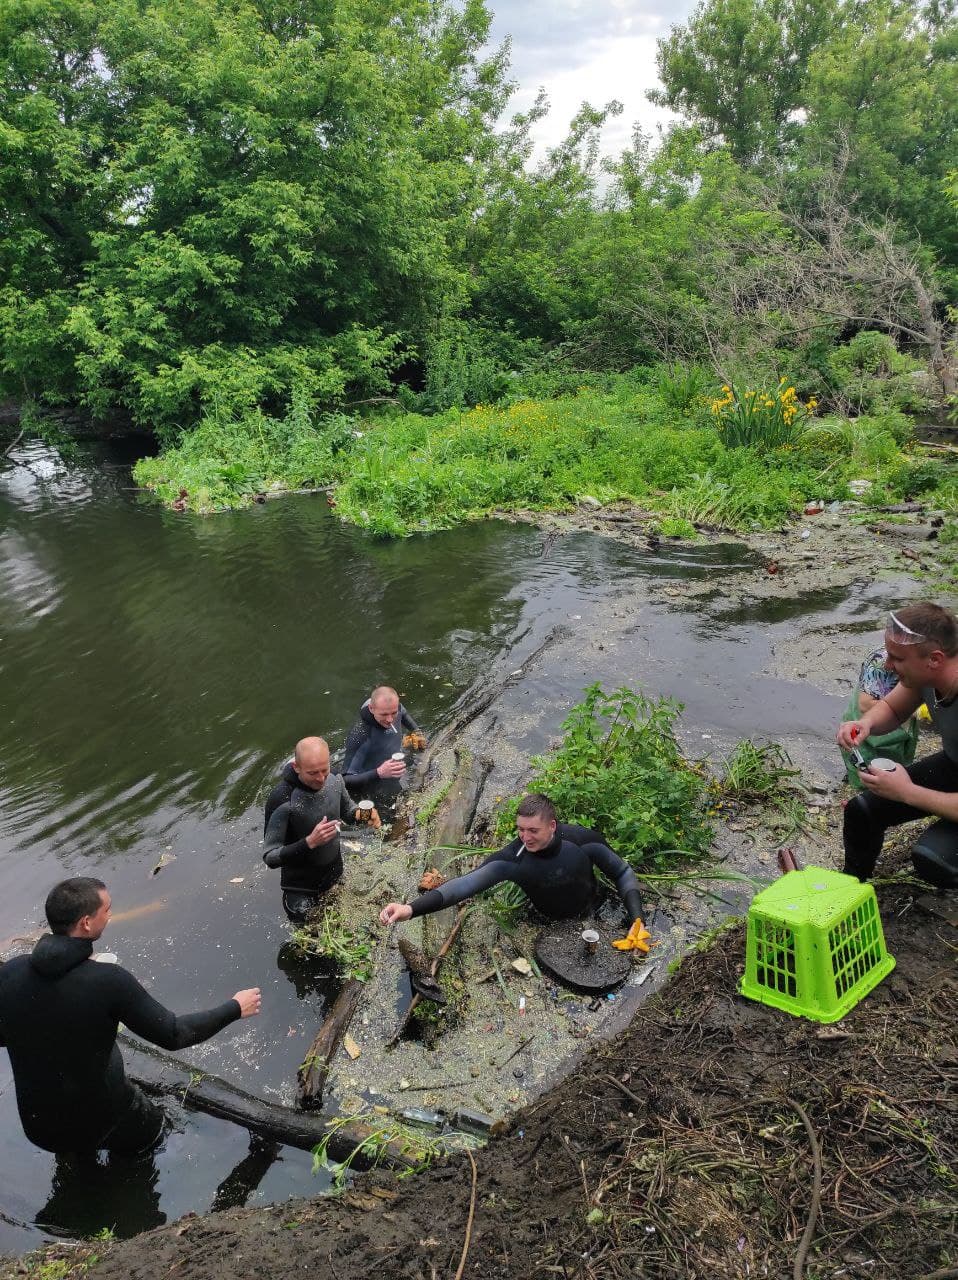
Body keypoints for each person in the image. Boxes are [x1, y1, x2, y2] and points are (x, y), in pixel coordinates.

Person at [0, 877, 261, 1155]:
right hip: (102, 1120)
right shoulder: (109, 981)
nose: (111, 914)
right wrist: (235, 1007)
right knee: (157, 1139)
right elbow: (174, 1034)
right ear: (86, 923)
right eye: (107, 909)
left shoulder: (11, 972)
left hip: (39, 1127)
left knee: (76, 1150)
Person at [379, 793, 645, 926]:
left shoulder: (582, 841)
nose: (525, 838)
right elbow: (463, 886)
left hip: (596, 908)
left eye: (533, 831)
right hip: (546, 922)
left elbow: (622, 873)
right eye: (520, 829)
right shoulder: (513, 859)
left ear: (552, 826)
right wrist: (410, 909)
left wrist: (636, 920)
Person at [836, 603, 958, 888]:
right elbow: (892, 709)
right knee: (861, 811)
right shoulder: (925, 675)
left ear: (935, 659)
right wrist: (865, 724)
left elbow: (908, 793)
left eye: (897, 658)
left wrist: (908, 792)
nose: (888, 665)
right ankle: (852, 890)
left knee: (934, 859)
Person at [263, 735, 373, 921]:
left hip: (335, 874)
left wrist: (365, 815)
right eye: (313, 773)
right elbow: (270, 857)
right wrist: (309, 842)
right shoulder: (282, 799)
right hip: (301, 889)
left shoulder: (335, 779)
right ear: (296, 768)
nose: (321, 778)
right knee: (311, 943)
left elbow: (348, 811)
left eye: (325, 769)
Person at [839, 646, 919, 787]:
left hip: (899, 725)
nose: (889, 664)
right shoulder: (880, 663)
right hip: (870, 728)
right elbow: (865, 704)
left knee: (900, 763)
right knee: (867, 771)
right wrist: (914, 711)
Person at [341, 687, 424, 796]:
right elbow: (345, 781)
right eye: (384, 714)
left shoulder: (394, 707)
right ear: (371, 708)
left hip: (394, 765)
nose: (390, 720)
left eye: (394, 713)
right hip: (373, 782)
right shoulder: (360, 736)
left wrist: (416, 731)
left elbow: (403, 713)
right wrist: (379, 773)